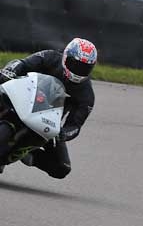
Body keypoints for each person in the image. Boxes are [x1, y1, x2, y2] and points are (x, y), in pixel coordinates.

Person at [0, 38, 97, 178]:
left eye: (84, 68)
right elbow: (23, 63)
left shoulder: (86, 95)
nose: (78, 70)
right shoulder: (50, 57)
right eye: (75, 64)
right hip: (20, 100)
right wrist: (10, 71)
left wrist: (63, 133)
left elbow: (75, 126)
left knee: (62, 168)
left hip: (46, 122)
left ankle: (26, 154)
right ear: (65, 57)